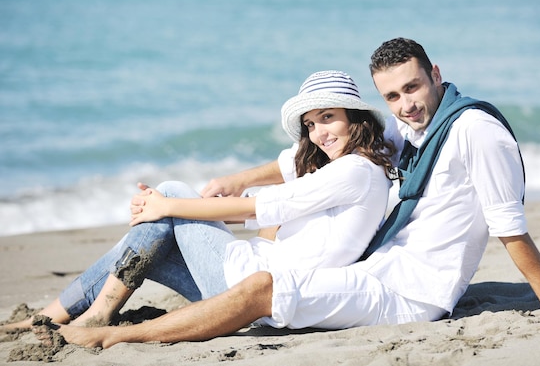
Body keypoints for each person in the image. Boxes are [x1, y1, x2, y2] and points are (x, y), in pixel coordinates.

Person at [33, 37, 540, 349]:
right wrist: (237, 179)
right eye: (392, 95)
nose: (404, 104)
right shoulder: (407, 129)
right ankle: (56, 317)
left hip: (412, 294)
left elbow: (508, 224)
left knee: (262, 281)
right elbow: (310, 153)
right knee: (166, 237)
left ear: (435, 73)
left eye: (412, 88)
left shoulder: (474, 129)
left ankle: (107, 334)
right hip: (375, 268)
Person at [3, 70, 394, 331]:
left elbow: (252, 209)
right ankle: (46, 319)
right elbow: (287, 167)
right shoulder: (348, 167)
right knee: (142, 244)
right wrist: (225, 185)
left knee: (172, 190)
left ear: (355, 118)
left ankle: (94, 314)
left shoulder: (353, 171)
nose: (318, 133)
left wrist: (167, 206)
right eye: (310, 124)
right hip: (252, 292)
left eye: (328, 118)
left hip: (256, 292)